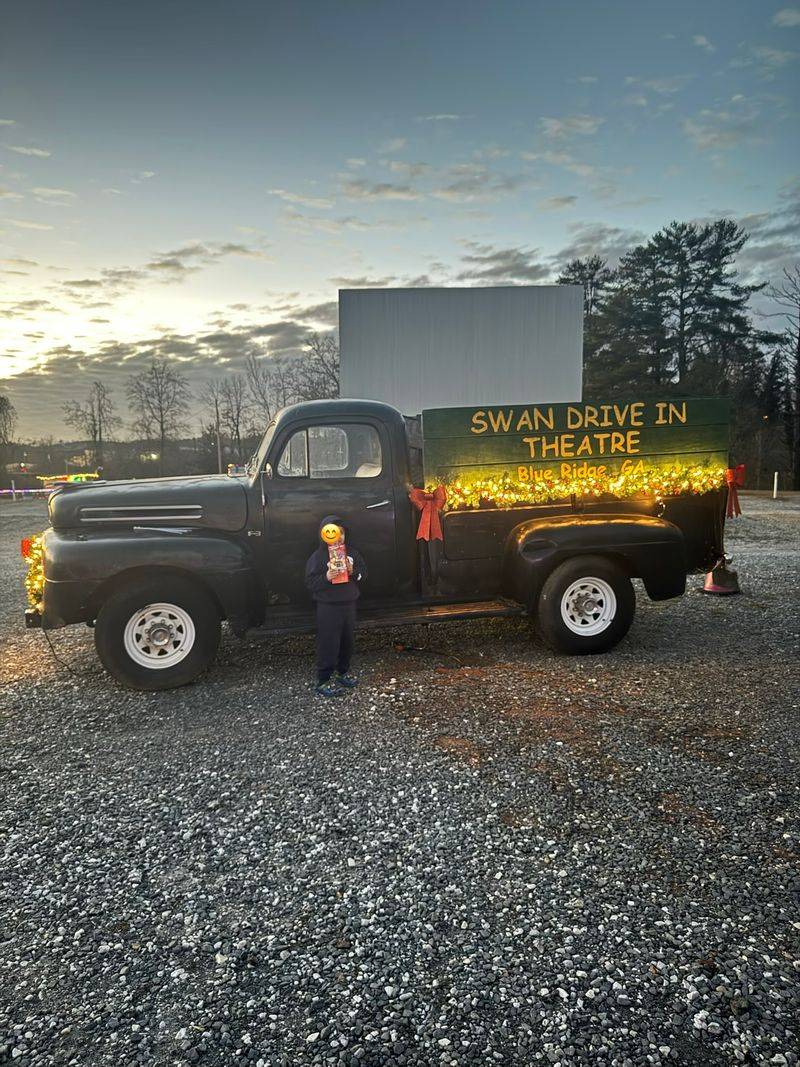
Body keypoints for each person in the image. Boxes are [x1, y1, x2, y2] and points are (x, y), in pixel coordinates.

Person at [304, 515, 368, 697]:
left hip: (349, 603)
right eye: (333, 533)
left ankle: (343, 672)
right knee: (329, 643)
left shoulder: (352, 553)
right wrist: (326, 577)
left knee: (347, 641)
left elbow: (364, 573)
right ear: (324, 535)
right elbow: (309, 582)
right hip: (328, 606)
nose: (338, 537)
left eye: (342, 533)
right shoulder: (317, 557)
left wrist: (353, 571)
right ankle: (323, 680)